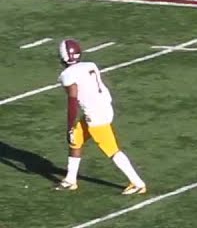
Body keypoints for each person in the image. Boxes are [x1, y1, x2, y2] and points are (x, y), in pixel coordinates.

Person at [53, 39, 147, 194]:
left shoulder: (67, 74)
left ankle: (137, 183)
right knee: (76, 138)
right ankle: (70, 180)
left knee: (111, 149)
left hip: (95, 116)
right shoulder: (90, 65)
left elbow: (72, 100)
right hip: (105, 108)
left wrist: (69, 126)